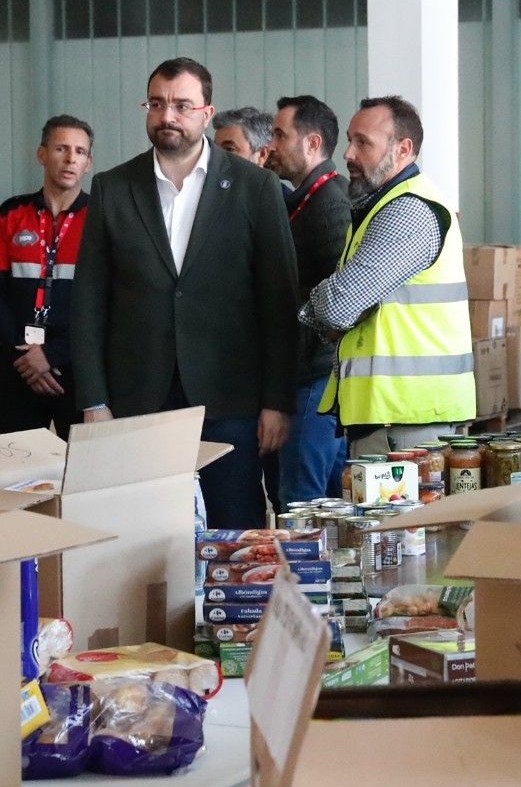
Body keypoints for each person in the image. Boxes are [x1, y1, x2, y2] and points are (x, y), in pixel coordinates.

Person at [72, 57, 300, 528]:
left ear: (206, 113)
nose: (167, 116)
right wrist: (95, 401)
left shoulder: (254, 188)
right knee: (143, 532)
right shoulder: (113, 188)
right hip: (138, 397)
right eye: (156, 104)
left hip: (230, 398)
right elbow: (89, 303)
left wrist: (276, 401)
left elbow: (278, 302)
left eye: (181, 105)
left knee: (235, 532)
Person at [303, 96, 475, 457]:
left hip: (408, 423)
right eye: (350, 140)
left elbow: (338, 305)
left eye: (363, 142)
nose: (348, 154)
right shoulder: (379, 207)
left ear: (403, 149)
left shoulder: (409, 210)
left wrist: (318, 302)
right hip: (395, 418)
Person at [0, 116, 93, 436]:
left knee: (83, 473)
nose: (71, 158)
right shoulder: (11, 213)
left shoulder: (100, 218)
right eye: (61, 148)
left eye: (80, 152)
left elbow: (108, 303)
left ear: (88, 163)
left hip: (76, 367)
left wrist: (53, 354)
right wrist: (26, 353)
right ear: (42, 154)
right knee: (15, 473)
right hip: (20, 364)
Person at [265, 95, 351, 503]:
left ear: (312, 143)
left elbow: (343, 300)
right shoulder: (302, 200)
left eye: (281, 135)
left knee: (301, 504)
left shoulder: (331, 204)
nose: (272, 145)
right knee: (327, 499)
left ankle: (301, 571)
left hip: (317, 376)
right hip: (307, 373)